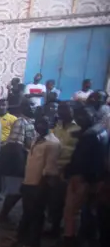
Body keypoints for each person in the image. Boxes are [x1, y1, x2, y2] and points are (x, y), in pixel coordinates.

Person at [60, 104, 109, 247]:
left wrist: (73, 176)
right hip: (96, 178)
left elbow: (80, 160)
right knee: (88, 212)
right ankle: (87, 244)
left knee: (70, 212)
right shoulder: (101, 131)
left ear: (92, 116)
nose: (80, 119)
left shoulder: (89, 136)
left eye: (83, 116)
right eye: (78, 116)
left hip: (81, 179)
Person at [16, 110, 61, 247]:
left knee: (37, 214)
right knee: (28, 212)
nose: (40, 126)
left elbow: (49, 168)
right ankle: (22, 239)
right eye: (38, 123)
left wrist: (41, 187)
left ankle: (33, 243)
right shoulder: (37, 138)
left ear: (51, 124)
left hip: (39, 184)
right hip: (29, 181)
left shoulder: (53, 143)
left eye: (44, 124)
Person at [0, 101, 36, 223]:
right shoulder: (21, 122)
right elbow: (16, 145)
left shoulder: (33, 122)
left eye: (34, 106)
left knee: (21, 191)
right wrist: (20, 167)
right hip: (21, 161)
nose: (33, 109)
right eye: (30, 106)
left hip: (30, 160)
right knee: (16, 191)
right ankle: (3, 215)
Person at [47, 101, 79, 236]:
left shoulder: (78, 128)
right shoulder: (58, 126)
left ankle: (64, 233)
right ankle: (54, 227)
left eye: (65, 109)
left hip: (67, 170)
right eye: (60, 110)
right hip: (55, 167)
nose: (61, 112)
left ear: (72, 111)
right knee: (54, 200)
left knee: (66, 203)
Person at [0, 99, 18, 200]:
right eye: (0, 105)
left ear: (7, 106)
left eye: (4, 105)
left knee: (1, 171)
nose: (2, 107)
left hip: (5, 148)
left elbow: (14, 133)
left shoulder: (13, 119)